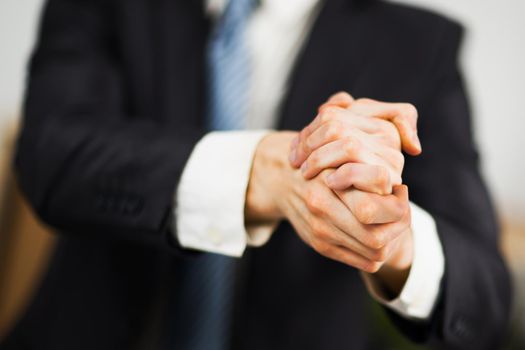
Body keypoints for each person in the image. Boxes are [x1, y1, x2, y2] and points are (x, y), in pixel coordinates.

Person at [1, 0, 511, 349]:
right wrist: (262, 173)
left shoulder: (419, 45)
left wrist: (394, 240)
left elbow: (484, 296)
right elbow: (52, 155)